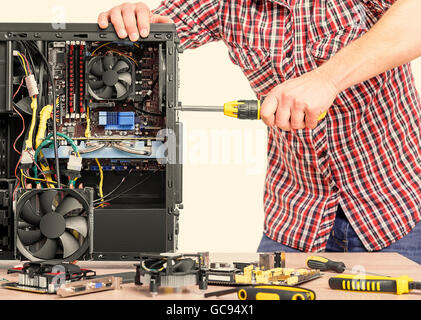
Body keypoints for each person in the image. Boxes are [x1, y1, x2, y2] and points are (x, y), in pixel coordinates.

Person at [98, 1, 421, 263]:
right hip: (296, 218)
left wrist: (328, 79)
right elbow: (156, 31)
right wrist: (132, 21)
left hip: (397, 211)